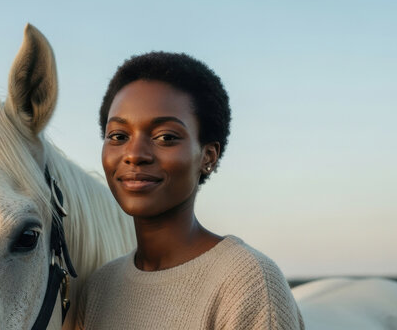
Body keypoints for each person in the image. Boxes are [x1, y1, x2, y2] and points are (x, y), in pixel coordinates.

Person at [77, 52, 304, 329]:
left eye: (166, 137)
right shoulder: (99, 289)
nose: (134, 154)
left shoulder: (247, 282)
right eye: (118, 136)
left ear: (208, 157)